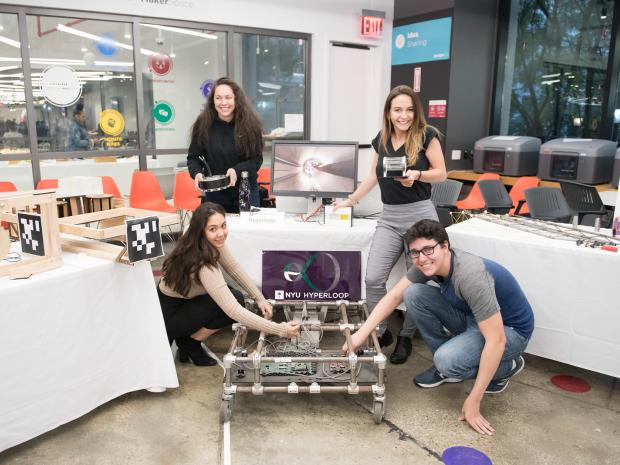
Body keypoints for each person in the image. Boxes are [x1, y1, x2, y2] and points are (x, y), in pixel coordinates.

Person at [343, 219, 534, 435]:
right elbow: (395, 296)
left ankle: (506, 367)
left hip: (510, 331)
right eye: (415, 253)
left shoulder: (470, 276)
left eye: (428, 249)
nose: (422, 258)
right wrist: (360, 335)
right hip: (474, 318)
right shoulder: (427, 264)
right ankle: (447, 367)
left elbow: (496, 340)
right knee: (413, 294)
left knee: (447, 361)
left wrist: (474, 400)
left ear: (445, 246)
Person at [333, 85, 447, 363]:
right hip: (390, 217)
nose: (403, 115)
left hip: (421, 218)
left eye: (409, 109)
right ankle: (381, 330)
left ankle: (406, 335)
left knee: (418, 282)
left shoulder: (427, 135)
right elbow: (373, 175)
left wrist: (417, 175)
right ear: (388, 112)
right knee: (373, 278)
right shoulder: (381, 139)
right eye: (397, 110)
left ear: (416, 112)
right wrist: (351, 200)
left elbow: (442, 173)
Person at [157, 202, 300, 366]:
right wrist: (281, 330)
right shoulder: (204, 265)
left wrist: (259, 298)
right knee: (232, 303)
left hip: (184, 302)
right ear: (201, 231)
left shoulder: (204, 242)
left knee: (236, 296)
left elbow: (233, 268)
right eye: (213, 229)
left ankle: (190, 340)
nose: (221, 233)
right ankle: (189, 341)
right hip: (171, 314)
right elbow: (233, 311)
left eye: (223, 226)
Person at [187, 77, 264, 213]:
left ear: (236, 99)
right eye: (218, 98)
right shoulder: (203, 124)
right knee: (218, 227)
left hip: (246, 191)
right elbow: (194, 157)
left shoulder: (250, 124)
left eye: (228, 97)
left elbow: (256, 160)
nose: (223, 102)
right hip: (215, 194)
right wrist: (196, 172)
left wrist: (236, 170)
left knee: (247, 226)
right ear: (213, 101)